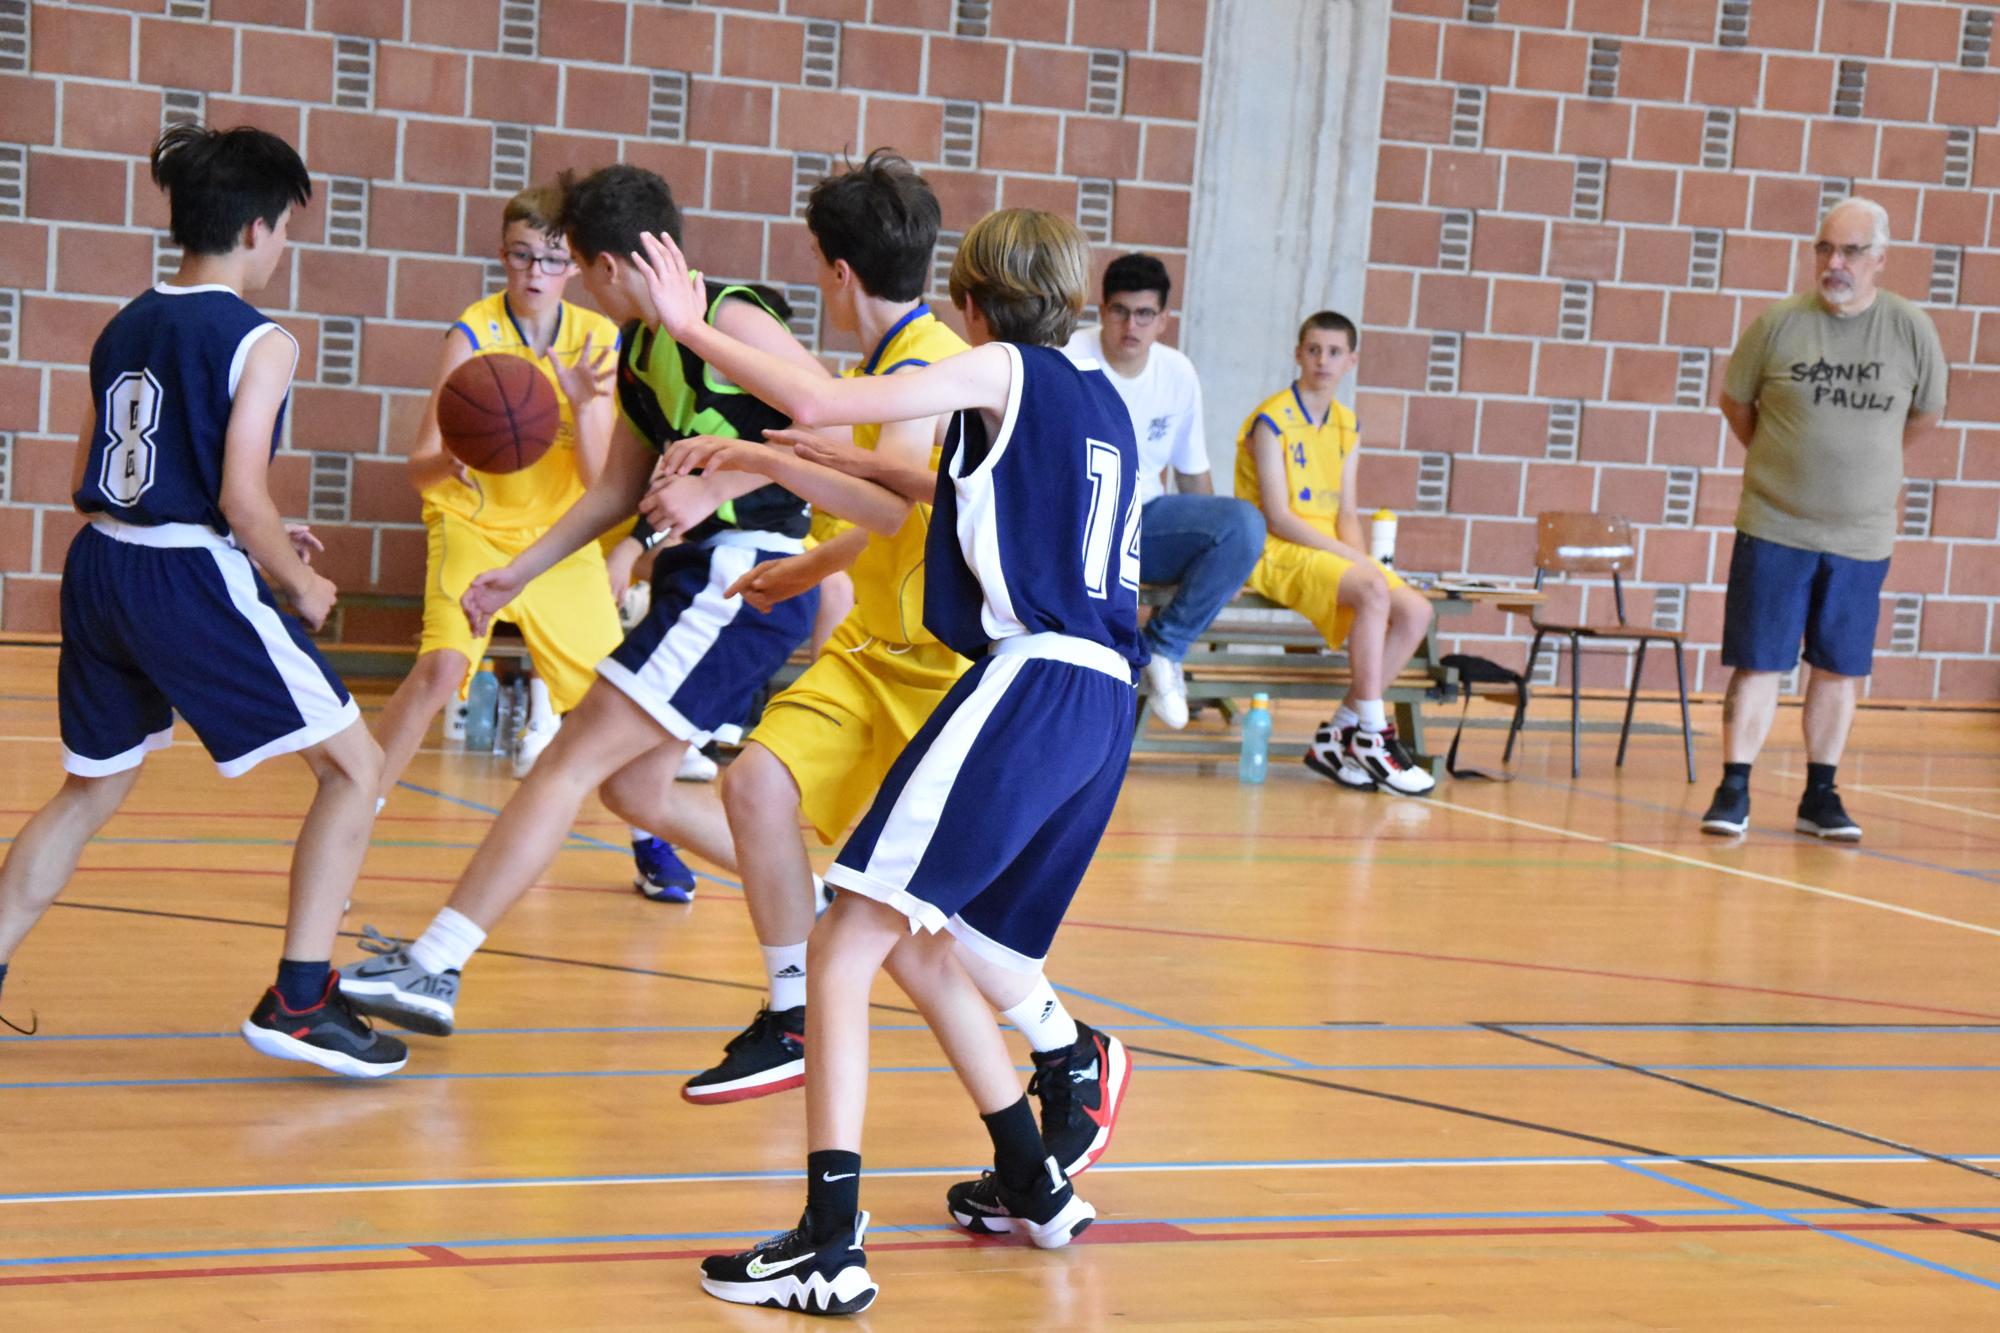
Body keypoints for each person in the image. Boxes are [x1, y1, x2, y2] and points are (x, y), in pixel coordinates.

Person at [633, 207, 1136, 1316]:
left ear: (969, 303)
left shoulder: (1001, 369)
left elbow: (819, 401)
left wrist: (690, 326)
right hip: (1104, 702)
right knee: (921, 938)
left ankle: (829, 1239)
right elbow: (914, 499)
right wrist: (770, 462)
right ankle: (1035, 1179)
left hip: (1029, 680)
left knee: (843, 939)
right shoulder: (1100, 405)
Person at [335, 163, 826, 1035]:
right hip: (695, 576)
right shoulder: (637, 350)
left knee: (567, 758)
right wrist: (518, 571)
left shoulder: (729, 315)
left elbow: (833, 419)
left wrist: (719, 486)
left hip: (742, 574)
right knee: (635, 790)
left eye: (577, 268)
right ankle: (816, 901)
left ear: (602, 264)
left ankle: (435, 963)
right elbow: (612, 492)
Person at [0, 124, 404, 1076]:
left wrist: (247, 534)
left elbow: (98, 474)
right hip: (182, 578)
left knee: (92, 787)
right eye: (286, 230)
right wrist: (298, 580)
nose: (283, 247)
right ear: (259, 228)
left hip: (102, 564)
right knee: (356, 767)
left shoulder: (125, 322)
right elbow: (238, 497)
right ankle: (300, 1001)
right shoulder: (261, 339)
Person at [1701, 197, 1945, 841]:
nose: (1835, 263)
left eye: (1851, 251)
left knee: (1839, 666)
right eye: (1825, 248)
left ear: (1880, 259)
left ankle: (1820, 795)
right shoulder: (1778, 324)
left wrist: (1866, 471)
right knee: (1759, 661)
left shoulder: (1911, 330)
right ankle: (1734, 789)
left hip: (1861, 536)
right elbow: (1736, 404)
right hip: (1775, 526)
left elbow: (1924, 416)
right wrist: (1782, 463)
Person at [1237, 312, 1436, 795]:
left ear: (1351, 361)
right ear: (1298, 354)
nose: (1322, 361)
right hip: (1276, 547)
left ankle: (1339, 733)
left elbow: (1347, 512)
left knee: (1416, 611)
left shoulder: (1347, 424)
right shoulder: (1272, 420)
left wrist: (1362, 561)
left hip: (1328, 547)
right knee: (1370, 588)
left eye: (1333, 352)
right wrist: (1360, 568)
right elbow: (1278, 516)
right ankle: (1373, 733)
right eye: (1313, 350)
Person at [1064, 253, 1264, 728]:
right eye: (1119, 311)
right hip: (1078, 525)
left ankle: (1164, 648)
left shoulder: (1178, 372)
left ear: (1163, 320)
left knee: (1243, 525)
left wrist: (1227, 559)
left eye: (1144, 314)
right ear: (1102, 310)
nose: (1130, 326)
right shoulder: (1069, 357)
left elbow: (1194, 476)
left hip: (1145, 523)